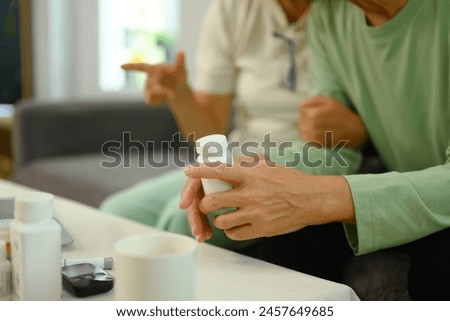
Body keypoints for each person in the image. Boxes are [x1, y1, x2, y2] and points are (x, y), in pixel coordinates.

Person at [181, 0, 450, 300]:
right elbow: (330, 148)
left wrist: (317, 196)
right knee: (276, 241)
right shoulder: (329, 14)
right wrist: (253, 173)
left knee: (439, 262)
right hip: (396, 183)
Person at [100, 0, 367, 253]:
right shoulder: (233, 9)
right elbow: (210, 134)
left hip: (317, 149)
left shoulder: (352, 12)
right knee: (116, 213)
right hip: (244, 153)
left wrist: (360, 128)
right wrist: (180, 94)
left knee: (183, 218)